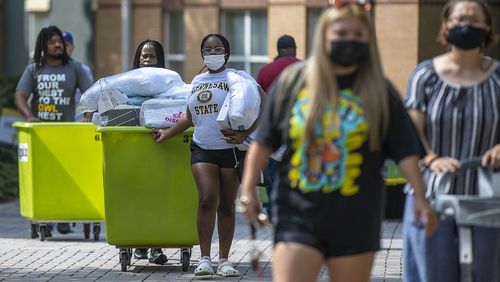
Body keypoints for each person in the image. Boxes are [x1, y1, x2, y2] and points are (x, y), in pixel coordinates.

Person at [240, 3, 437, 282]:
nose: (350, 40)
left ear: (368, 40)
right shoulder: (295, 82)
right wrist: (247, 190)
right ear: (324, 35)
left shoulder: (379, 90)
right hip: (298, 215)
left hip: (357, 219)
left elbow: (405, 149)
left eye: (358, 34)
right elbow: (263, 142)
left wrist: (420, 197)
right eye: (342, 32)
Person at [402, 0, 500, 281]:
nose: (465, 25)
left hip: (487, 198)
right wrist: (431, 157)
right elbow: (412, 130)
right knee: (432, 273)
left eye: (473, 19)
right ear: (445, 27)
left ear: (487, 28)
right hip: (432, 194)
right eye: (458, 20)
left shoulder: (498, 78)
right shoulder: (424, 76)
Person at [152, 33, 263, 278]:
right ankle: (204, 259)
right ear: (202, 54)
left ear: (227, 52)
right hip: (202, 147)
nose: (213, 54)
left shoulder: (238, 78)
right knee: (206, 199)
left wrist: (245, 133)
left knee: (226, 206)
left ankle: (224, 259)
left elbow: (264, 106)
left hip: (230, 151)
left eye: (218, 49)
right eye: (208, 50)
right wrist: (166, 134)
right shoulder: (198, 80)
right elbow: (188, 118)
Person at [14, 25, 93, 237]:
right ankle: (46, 220)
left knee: (67, 178)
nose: (58, 45)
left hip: (66, 133)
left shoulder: (75, 68)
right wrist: (29, 117)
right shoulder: (33, 70)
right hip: (41, 136)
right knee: (44, 180)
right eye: (52, 42)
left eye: (60, 41)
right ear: (43, 45)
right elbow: (20, 96)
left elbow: (91, 95)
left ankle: (66, 216)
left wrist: (88, 117)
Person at [128, 39, 169, 265]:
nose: (147, 59)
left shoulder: (168, 83)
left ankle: (155, 246)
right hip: (133, 147)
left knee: (157, 196)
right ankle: (139, 244)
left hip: (159, 146)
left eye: (152, 56)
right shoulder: (129, 84)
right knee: (138, 195)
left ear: (159, 59)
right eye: (144, 55)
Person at [256, 35, 301, 219]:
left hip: (274, 132)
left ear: (278, 49)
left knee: (273, 174)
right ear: (295, 48)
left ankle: (274, 212)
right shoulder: (305, 68)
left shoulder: (266, 71)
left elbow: (257, 100)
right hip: (300, 130)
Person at [61, 31, 94, 122]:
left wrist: (88, 117)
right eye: (61, 45)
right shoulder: (47, 70)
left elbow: (90, 96)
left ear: (72, 47)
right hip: (53, 123)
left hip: (77, 122)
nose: (64, 48)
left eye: (67, 45)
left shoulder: (82, 69)